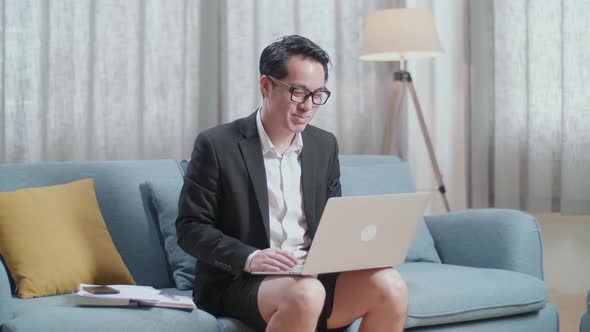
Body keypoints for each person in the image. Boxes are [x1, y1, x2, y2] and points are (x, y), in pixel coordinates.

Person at [176, 35, 408, 332]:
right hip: (243, 281)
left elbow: (330, 221)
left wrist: (354, 251)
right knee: (307, 294)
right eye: (298, 92)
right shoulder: (217, 144)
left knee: (391, 285)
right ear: (266, 85)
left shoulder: (324, 145)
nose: (308, 106)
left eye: (318, 95)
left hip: (314, 273)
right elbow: (190, 227)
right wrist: (250, 257)